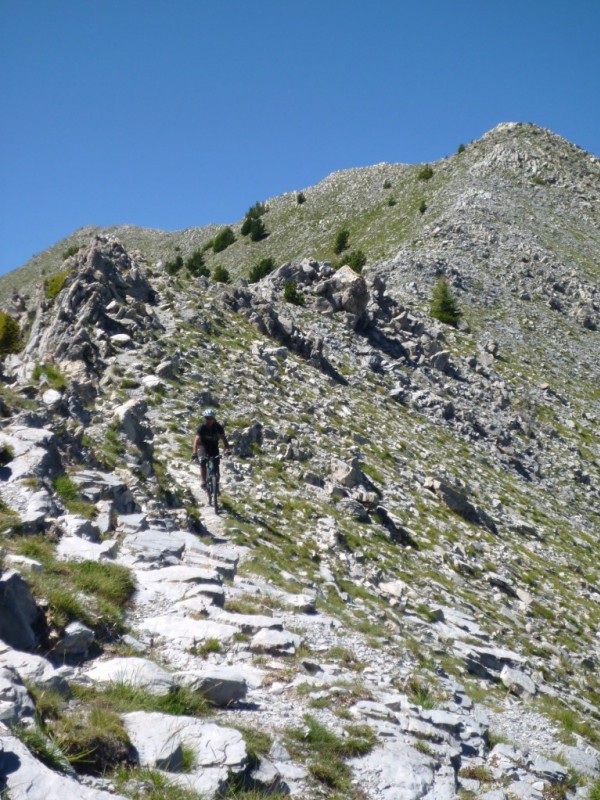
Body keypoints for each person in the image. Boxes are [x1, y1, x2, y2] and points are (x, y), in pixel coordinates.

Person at [192, 408, 230, 490]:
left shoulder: (218, 427)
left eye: (210, 418)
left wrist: (227, 449)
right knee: (202, 461)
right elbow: (196, 440)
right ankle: (203, 481)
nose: (208, 420)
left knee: (216, 464)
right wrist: (194, 453)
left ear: (214, 418)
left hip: (213, 446)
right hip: (203, 446)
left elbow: (224, 439)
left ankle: (216, 486)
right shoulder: (201, 427)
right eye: (206, 418)